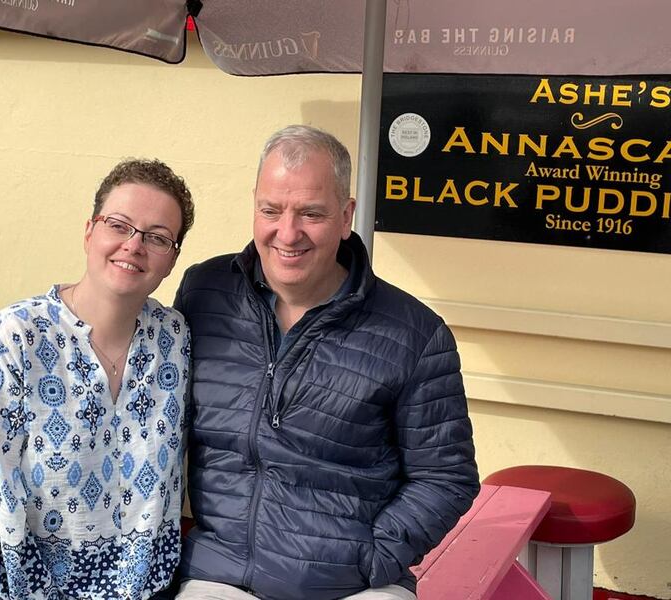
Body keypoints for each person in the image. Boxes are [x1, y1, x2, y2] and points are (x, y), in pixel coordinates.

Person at [173, 125, 479, 600]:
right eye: (271, 210)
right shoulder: (205, 292)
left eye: (311, 213)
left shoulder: (415, 333)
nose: (287, 233)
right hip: (220, 575)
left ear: (345, 217)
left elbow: (446, 477)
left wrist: (370, 557)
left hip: (353, 587)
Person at [0, 159, 194, 599]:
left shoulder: (174, 339)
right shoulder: (14, 339)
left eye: (158, 237)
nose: (134, 245)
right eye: (118, 225)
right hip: (24, 588)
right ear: (89, 232)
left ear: (173, 259)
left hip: (148, 587)